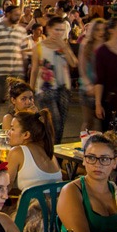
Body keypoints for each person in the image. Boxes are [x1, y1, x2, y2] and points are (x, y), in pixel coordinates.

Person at [29, 16, 78, 144]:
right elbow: (34, 70)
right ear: (49, 29)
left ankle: (56, 152)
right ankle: (50, 150)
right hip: (45, 89)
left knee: (61, 123)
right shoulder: (39, 47)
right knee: (53, 122)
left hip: (63, 89)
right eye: (56, 29)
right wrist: (30, 91)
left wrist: (64, 47)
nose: (59, 33)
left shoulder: (64, 46)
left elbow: (73, 63)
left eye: (62, 30)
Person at [0, 5, 28, 122]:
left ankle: (13, 124)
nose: (18, 17)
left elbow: (24, 51)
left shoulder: (21, 31)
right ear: (7, 14)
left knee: (16, 100)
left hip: (17, 71)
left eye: (19, 15)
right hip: (1, 71)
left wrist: (25, 67)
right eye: (16, 14)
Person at [6, 109, 62, 190]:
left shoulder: (17, 152)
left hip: (33, 202)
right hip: (56, 202)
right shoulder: (49, 152)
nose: (8, 133)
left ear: (26, 134)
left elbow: (5, 187)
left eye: (12, 129)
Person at [78, 18, 106, 132]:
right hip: (87, 88)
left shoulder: (107, 45)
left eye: (103, 30)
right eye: (97, 30)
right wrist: (88, 85)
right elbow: (82, 66)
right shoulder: (86, 44)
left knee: (104, 122)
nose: (100, 32)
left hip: (103, 87)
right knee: (88, 121)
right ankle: (84, 145)